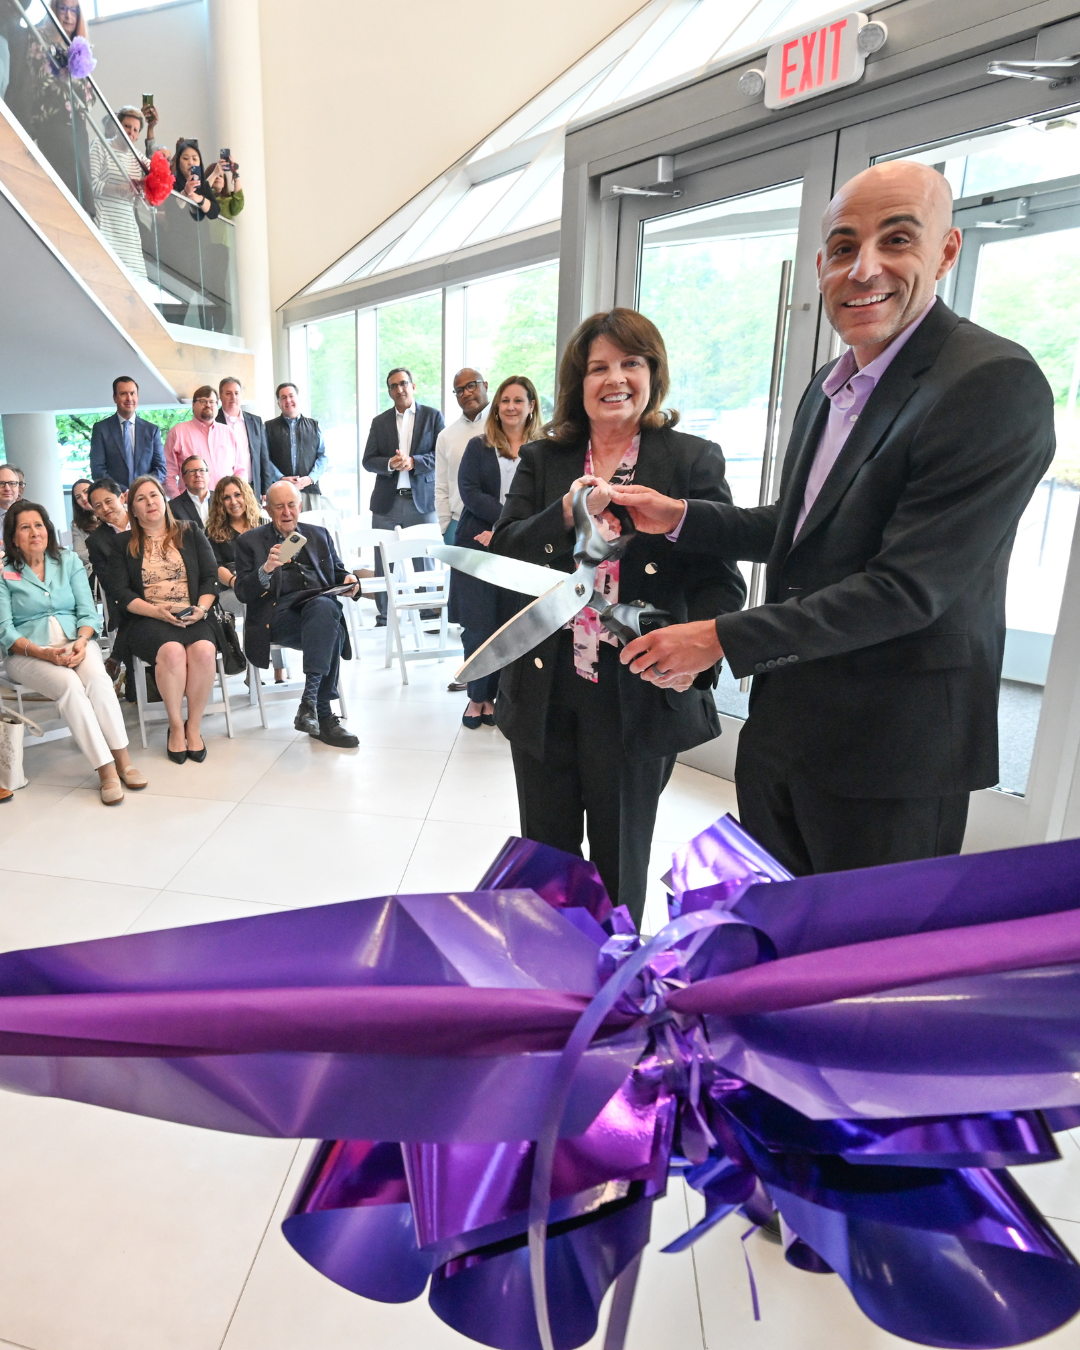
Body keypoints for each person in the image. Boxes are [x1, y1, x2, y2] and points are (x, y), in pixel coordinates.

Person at [613, 161, 1057, 878]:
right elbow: (802, 530)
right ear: (819, 265)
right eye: (845, 247)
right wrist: (679, 518)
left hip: (893, 754)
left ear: (946, 252)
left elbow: (907, 588)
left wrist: (721, 637)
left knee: (862, 971)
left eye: (898, 240)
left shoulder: (991, 384)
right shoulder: (831, 384)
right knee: (781, 943)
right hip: (786, 729)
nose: (865, 268)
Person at [489, 309, 745, 925]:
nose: (616, 378)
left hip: (635, 696)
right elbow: (502, 555)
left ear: (653, 373)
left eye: (631, 363)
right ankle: (551, 985)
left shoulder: (691, 460)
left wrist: (696, 659)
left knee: (618, 867)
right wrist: (568, 515)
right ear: (578, 382)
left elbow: (721, 583)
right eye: (598, 366)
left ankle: (614, 995)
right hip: (546, 690)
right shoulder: (545, 458)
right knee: (544, 864)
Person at [0, 500, 147, 804]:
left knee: (96, 678)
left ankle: (123, 760)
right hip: (26, 654)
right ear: (13, 537)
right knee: (69, 686)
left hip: (75, 642)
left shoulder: (67, 561)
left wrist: (82, 641)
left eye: (38, 525)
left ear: (48, 529)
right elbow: (5, 631)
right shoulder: (4, 573)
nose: (33, 532)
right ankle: (105, 769)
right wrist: (43, 654)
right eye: (24, 527)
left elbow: (88, 612)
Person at [97, 474, 220, 764]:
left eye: (154, 495)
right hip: (146, 618)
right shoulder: (122, 543)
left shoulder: (190, 531)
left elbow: (211, 577)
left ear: (163, 500)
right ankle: (176, 726)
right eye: (141, 498)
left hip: (193, 613)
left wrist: (201, 609)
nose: (149, 502)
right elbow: (121, 593)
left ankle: (194, 726)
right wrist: (156, 611)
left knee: (204, 650)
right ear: (133, 509)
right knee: (173, 652)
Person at [234, 481, 359, 748]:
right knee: (330, 622)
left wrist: (350, 578)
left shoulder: (319, 534)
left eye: (292, 505)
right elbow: (243, 592)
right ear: (267, 508)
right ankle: (323, 715)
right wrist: (266, 570)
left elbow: (338, 571)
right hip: (278, 616)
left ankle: (310, 707)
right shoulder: (249, 542)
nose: (287, 512)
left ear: (300, 506)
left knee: (325, 609)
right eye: (279, 506)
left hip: (317, 612)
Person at [452, 376, 539, 729]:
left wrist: (507, 530)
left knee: (512, 623)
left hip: (523, 546)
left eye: (519, 400)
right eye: (505, 400)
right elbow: (469, 492)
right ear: (497, 406)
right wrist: (504, 522)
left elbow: (545, 499)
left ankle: (504, 697)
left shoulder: (542, 450)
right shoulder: (479, 446)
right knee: (479, 623)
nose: (511, 407)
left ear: (531, 406)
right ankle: (478, 697)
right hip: (477, 542)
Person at [362, 368, 444, 624]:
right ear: (389, 391)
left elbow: (440, 456)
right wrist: (389, 463)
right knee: (384, 560)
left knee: (426, 557)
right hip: (388, 503)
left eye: (403, 384)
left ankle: (429, 613)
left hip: (422, 502)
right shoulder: (380, 421)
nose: (399, 389)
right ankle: (385, 615)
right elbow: (368, 461)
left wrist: (414, 462)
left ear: (413, 386)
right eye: (393, 386)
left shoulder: (432, 416)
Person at [18, 2, 96, 219]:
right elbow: (33, 81)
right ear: (54, 10)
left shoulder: (80, 46)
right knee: (62, 182)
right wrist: (58, 73)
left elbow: (90, 97)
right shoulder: (38, 36)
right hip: (50, 122)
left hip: (77, 126)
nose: (68, 16)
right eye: (63, 9)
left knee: (81, 184)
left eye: (74, 10)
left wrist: (72, 77)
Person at [90, 105, 149, 279]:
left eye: (136, 130)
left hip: (128, 226)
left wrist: (143, 190)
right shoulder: (101, 145)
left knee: (133, 280)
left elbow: (157, 178)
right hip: (104, 219)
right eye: (127, 126)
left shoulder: (139, 158)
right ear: (117, 126)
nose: (131, 132)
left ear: (138, 135)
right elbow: (90, 183)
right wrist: (116, 189)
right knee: (105, 274)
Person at [435, 369, 490, 544]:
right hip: (459, 523)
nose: (466, 393)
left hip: (499, 524)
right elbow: (442, 486)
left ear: (485, 386)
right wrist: (446, 527)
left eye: (471, 385)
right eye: (459, 390)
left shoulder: (505, 426)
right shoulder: (446, 436)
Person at [163, 387, 244, 496]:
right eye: (203, 401)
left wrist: (240, 495)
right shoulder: (178, 432)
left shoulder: (228, 432)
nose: (208, 405)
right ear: (193, 405)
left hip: (227, 501)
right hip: (193, 504)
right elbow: (168, 473)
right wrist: (179, 502)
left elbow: (240, 470)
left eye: (212, 402)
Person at [89, 377, 165, 489]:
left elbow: (160, 468)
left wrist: (140, 489)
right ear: (115, 398)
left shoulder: (151, 430)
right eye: (123, 394)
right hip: (116, 497)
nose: (129, 398)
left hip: (145, 495)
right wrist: (123, 491)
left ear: (137, 397)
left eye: (132, 393)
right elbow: (98, 469)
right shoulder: (101, 429)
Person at [264, 383, 329, 511]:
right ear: (278, 403)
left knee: (310, 529)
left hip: (309, 490)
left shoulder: (314, 426)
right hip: (280, 491)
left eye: (291, 396)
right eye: (283, 397)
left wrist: (311, 478)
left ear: (298, 399)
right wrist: (280, 478)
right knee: (282, 529)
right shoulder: (268, 427)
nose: (288, 400)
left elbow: (323, 456)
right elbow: (264, 458)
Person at [217, 376, 279, 500]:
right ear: (220, 396)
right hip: (223, 489)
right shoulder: (214, 422)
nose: (233, 397)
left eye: (236, 393)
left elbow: (263, 456)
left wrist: (265, 488)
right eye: (228, 393)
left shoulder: (255, 421)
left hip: (251, 486)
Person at [206, 475, 261, 617]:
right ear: (220, 503)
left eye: (238, 495)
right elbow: (215, 567)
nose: (233, 502)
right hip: (230, 590)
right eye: (226, 498)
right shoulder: (212, 532)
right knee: (249, 601)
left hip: (262, 583)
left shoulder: (263, 524)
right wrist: (237, 583)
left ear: (246, 496)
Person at [171, 140, 220, 221]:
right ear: (178, 161)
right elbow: (172, 213)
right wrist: (186, 192)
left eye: (195, 159)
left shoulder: (203, 184)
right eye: (186, 158)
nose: (191, 162)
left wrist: (200, 199)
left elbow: (215, 212)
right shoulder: (171, 182)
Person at [169, 455, 211, 528]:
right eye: (192, 471)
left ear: (209, 475)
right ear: (183, 478)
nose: (198, 475)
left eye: (202, 470)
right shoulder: (173, 507)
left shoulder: (221, 499)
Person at [69, 477, 99, 569]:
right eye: (78, 497)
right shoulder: (77, 525)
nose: (84, 498)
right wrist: (99, 549)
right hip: (98, 569)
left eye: (86, 491)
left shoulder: (115, 510)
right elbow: (78, 555)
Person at [206, 150, 243, 219]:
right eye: (215, 175)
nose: (217, 177)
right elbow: (203, 191)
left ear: (224, 183)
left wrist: (235, 173)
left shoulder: (228, 200)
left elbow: (239, 202)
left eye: (220, 176)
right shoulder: (203, 197)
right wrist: (214, 174)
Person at [0, 465, 24, 532]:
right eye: (1, 483)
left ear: (18, 488)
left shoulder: (30, 513)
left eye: (12, 483)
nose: (7, 489)